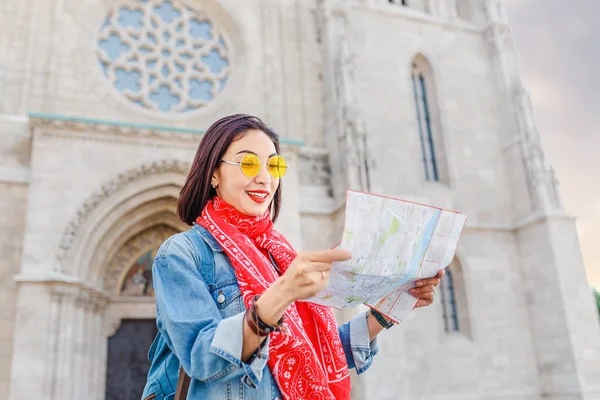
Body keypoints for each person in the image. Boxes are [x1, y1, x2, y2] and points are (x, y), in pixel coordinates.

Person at [141, 114, 443, 400]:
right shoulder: (181, 254)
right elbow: (201, 357)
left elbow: (317, 354)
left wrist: (386, 309)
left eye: (274, 166)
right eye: (248, 163)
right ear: (214, 174)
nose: (264, 178)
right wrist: (281, 294)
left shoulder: (278, 254)